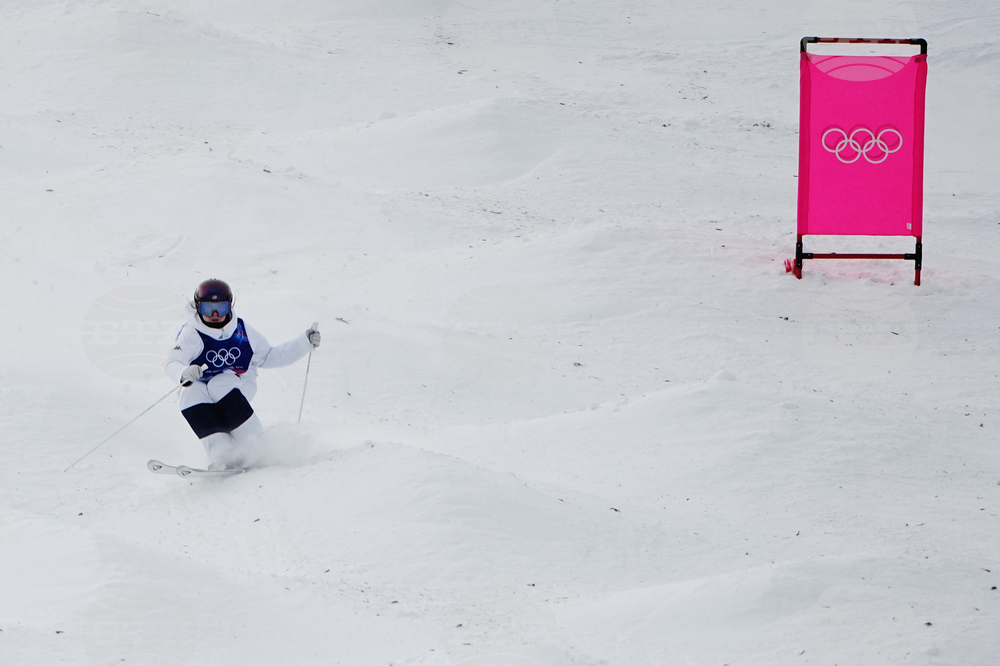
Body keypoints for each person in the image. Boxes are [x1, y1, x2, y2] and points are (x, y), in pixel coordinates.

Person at [164, 279, 320, 469]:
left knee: (219, 383)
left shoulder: (242, 331)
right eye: (207, 308)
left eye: (220, 308)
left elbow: (269, 356)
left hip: (239, 384)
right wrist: (183, 372)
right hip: (203, 388)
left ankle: (254, 446)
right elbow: (172, 361)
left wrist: (303, 343)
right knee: (188, 394)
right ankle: (222, 454)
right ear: (197, 308)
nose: (214, 315)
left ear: (230, 306)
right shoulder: (192, 333)